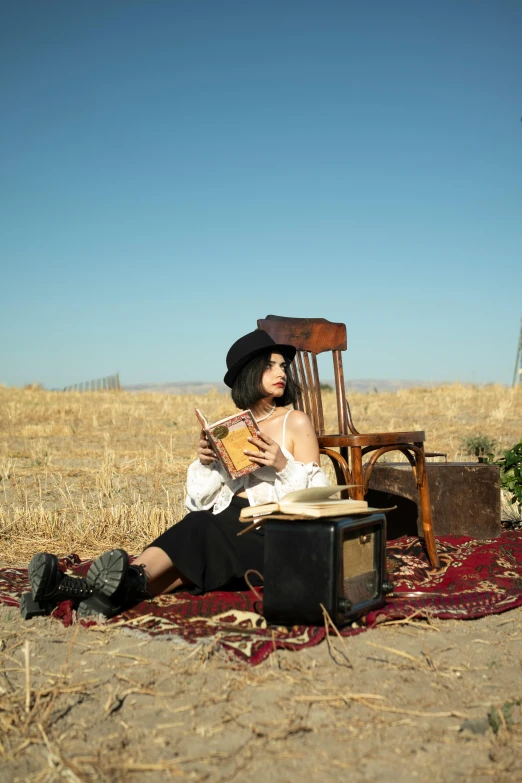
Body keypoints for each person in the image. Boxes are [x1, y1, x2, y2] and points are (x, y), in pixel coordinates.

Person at [23, 330, 329, 620]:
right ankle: (75, 592)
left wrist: (281, 465)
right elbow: (201, 499)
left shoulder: (295, 421)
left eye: (283, 366)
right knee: (189, 548)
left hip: (271, 532)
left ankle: (65, 589)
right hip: (227, 522)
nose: (281, 373)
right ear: (249, 373)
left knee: (199, 528)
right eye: (269, 366)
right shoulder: (231, 429)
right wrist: (207, 462)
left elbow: (319, 499)